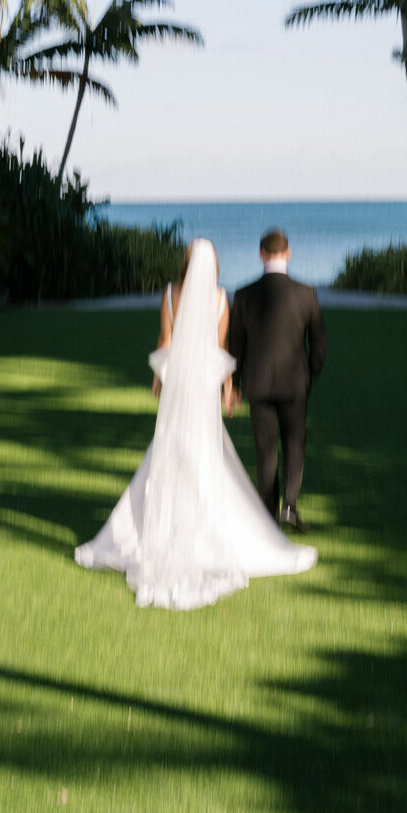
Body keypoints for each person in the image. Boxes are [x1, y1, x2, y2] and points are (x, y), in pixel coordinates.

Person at [73, 238, 315, 610]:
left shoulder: (171, 292)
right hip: (203, 383)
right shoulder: (220, 298)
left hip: (178, 382)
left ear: (186, 262)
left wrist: (159, 379)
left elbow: (165, 339)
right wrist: (228, 387)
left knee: (170, 445)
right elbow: (221, 349)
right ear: (213, 264)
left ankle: (163, 524)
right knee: (202, 448)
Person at [228, 229, 327, 532]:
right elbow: (319, 343)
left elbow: (236, 345)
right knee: (294, 443)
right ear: (289, 252)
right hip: (295, 384)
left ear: (261, 254)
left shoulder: (244, 294)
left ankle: (268, 514)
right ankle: (290, 506)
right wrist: (309, 376)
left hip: (257, 384)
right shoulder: (306, 292)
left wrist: (233, 384)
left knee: (265, 449)